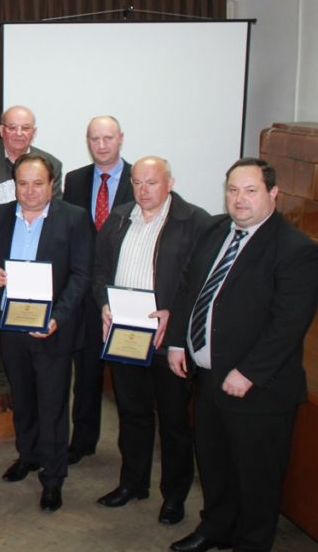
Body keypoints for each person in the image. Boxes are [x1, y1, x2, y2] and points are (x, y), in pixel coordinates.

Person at [165, 159, 318, 552]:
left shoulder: (296, 249)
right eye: (233, 190)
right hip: (209, 375)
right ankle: (215, 528)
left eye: (250, 190)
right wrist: (179, 342)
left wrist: (248, 372)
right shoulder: (216, 229)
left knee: (256, 476)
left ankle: (251, 543)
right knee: (214, 464)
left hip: (258, 388)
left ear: (273, 194)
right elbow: (189, 288)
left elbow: (288, 323)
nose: (239, 199)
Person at [92, 157, 210, 524]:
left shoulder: (195, 222)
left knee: (174, 421)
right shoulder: (120, 217)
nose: (144, 190)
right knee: (132, 414)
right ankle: (133, 483)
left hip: (166, 341)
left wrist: (173, 313)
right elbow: (99, 271)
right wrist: (104, 305)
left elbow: (203, 284)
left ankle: (173, 496)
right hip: (125, 334)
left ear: (169, 182)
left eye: (152, 183)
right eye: (138, 182)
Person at [0, 154, 92, 512]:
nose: (29, 191)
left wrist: (58, 317)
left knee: (53, 405)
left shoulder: (73, 219)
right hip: (11, 326)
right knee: (23, 398)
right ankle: (27, 455)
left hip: (52, 331)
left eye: (37, 184)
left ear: (51, 185)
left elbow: (80, 276)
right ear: (14, 185)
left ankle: (54, 477)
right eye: (23, 184)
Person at [0, 105, 62, 414]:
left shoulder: (52, 163)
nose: (19, 134)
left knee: (28, 318)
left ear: (33, 131)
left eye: (25, 128)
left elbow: (54, 213)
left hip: (32, 249)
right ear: (0, 129)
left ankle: (22, 382)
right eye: (12, 127)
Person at [62, 115, 135, 465]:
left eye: (108, 138)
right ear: (87, 141)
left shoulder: (139, 180)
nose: (102, 145)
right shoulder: (75, 180)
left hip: (126, 292)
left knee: (127, 378)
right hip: (86, 292)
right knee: (87, 372)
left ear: (120, 138)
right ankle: (84, 439)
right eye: (95, 139)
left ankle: (130, 450)